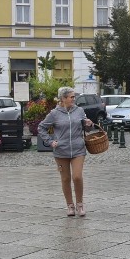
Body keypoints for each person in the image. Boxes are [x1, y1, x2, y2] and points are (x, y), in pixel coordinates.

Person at [38, 86, 93, 217]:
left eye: (74, 97)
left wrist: (89, 124)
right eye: (71, 97)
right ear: (63, 98)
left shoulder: (79, 111)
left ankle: (80, 205)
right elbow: (41, 128)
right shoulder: (54, 114)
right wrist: (50, 142)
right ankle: (70, 206)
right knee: (66, 178)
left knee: (77, 177)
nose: (74, 99)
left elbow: (88, 129)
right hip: (61, 151)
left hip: (78, 149)